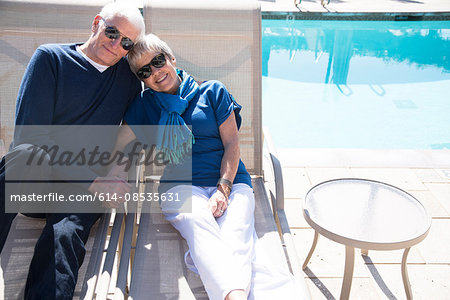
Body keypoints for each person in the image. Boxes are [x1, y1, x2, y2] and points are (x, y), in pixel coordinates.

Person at [113, 33, 303, 300]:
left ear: (171, 58)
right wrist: (114, 173)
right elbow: (119, 143)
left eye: (158, 61)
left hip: (232, 181)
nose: (155, 72)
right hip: (179, 186)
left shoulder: (212, 91)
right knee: (197, 220)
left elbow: (232, 145)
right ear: (142, 79)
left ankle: (211, 271)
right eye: (145, 71)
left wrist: (222, 189)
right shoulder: (145, 105)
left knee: (234, 232)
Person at [0, 3, 145, 299]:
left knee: (64, 236)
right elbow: (30, 138)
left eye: (126, 42)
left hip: (80, 189)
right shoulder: (50, 59)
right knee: (26, 155)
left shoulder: (128, 81)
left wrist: (117, 172)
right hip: (32, 183)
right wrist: (96, 181)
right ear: (96, 24)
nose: (117, 44)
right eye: (112, 32)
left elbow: (130, 135)